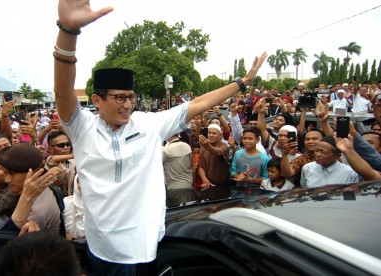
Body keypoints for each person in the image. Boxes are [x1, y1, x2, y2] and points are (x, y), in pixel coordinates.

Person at [53, 0, 266, 273]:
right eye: (119, 98)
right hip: (102, 250)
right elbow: (62, 91)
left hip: (146, 249)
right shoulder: (81, 128)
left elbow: (198, 103)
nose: (128, 105)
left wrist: (242, 83)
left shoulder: (149, 124)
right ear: (96, 99)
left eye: (131, 97)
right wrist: (68, 31)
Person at [230, 126, 269, 197]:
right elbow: (233, 171)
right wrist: (239, 177)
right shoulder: (238, 154)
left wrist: (249, 179)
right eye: (245, 138)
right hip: (238, 193)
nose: (247, 141)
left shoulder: (264, 158)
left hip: (256, 194)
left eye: (250, 138)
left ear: (257, 140)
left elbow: (266, 178)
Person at [197, 124, 230, 200]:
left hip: (223, 187)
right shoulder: (203, 147)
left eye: (214, 133)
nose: (211, 135)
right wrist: (204, 179)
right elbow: (201, 166)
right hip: (208, 186)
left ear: (220, 135)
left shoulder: (224, 146)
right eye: (209, 133)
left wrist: (208, 146)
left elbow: (219, 152)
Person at [162, 133, 194, 206]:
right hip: (188, 183)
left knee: (176, 210)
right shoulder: (187, 146)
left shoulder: (166, 150)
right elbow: (191, 162)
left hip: (173, 186)